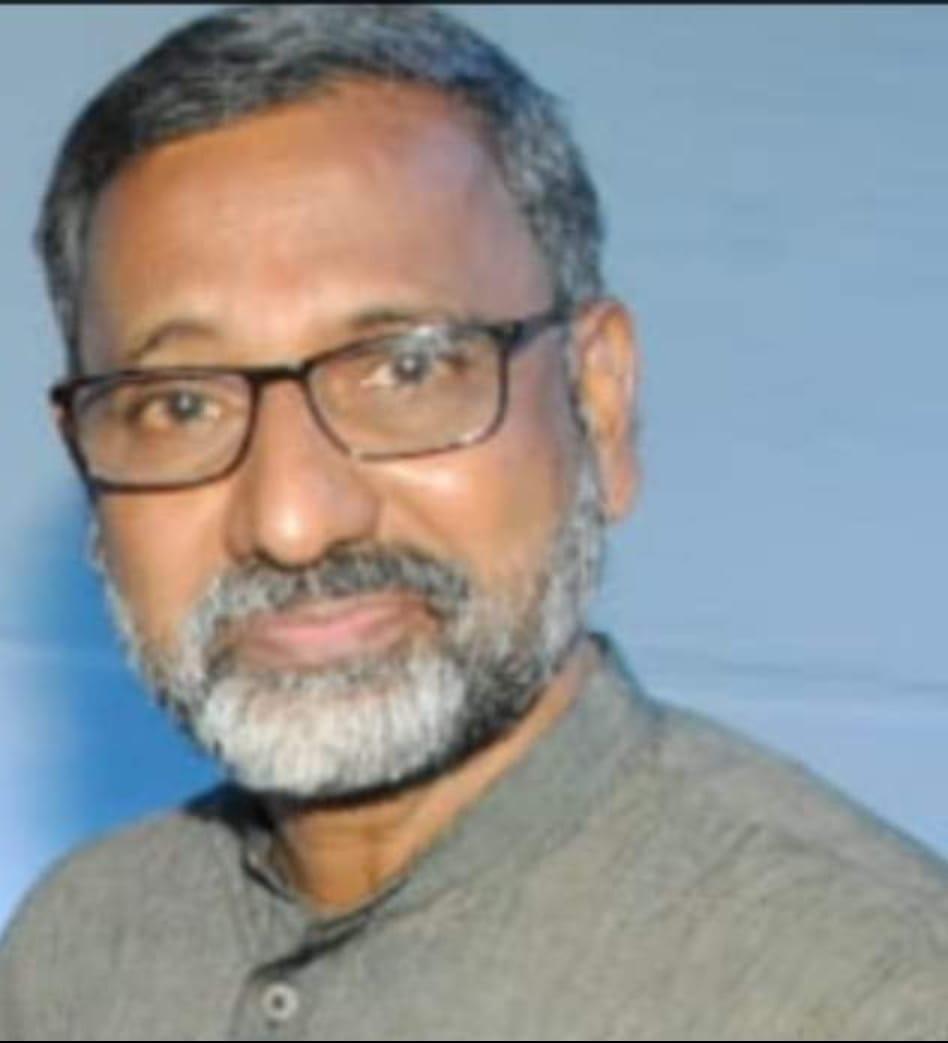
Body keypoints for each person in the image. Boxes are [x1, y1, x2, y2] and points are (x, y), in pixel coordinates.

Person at [2, 5, 947, 1040]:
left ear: (598, 405)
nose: (293, 520)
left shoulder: (866, 989)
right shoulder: (81, 946)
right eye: (180, 403)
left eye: (406, 370)